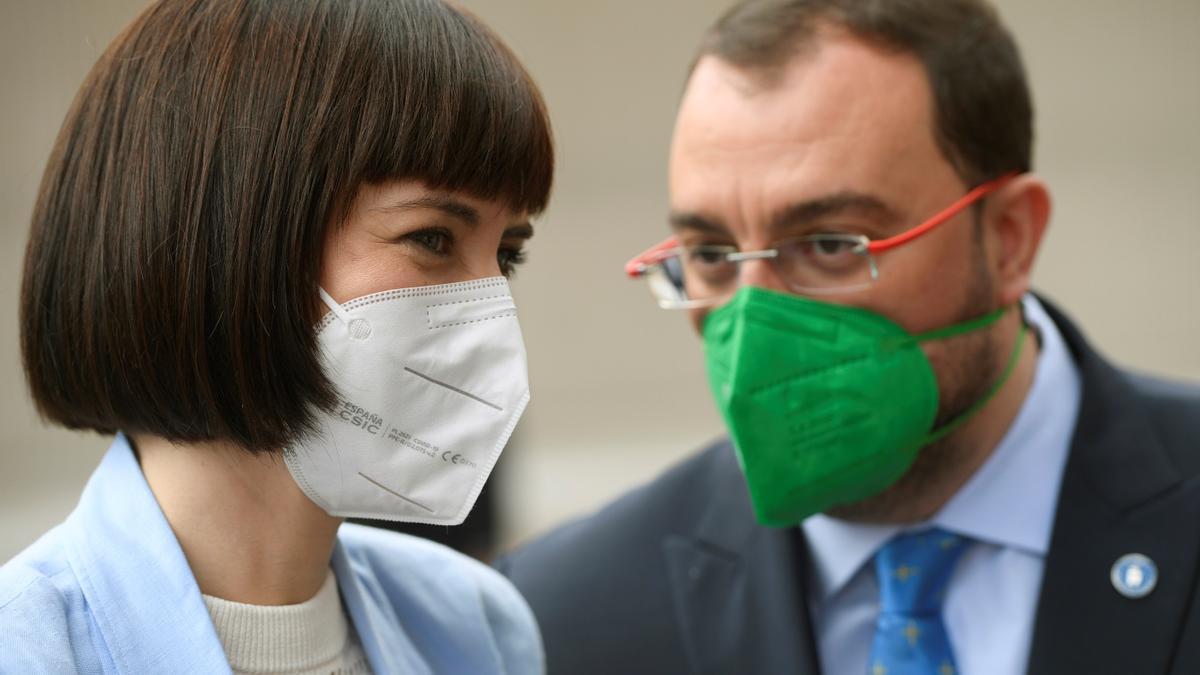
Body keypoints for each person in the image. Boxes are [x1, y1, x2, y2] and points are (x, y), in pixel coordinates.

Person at [496, 1, 1200, 673]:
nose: (754, 325)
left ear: (1010, 239)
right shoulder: (561, 616)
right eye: (710, 253)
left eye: (829, 243)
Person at [1, 0, 553, 673]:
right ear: (228, 237)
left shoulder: (477, 627)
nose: (490, 305)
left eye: (508, 256)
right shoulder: (28, 647)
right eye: (432, 237)